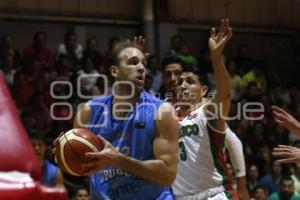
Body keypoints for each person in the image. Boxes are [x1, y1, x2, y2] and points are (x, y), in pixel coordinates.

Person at [54, 38, 179, 199]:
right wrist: (65, 156)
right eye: (133, 62)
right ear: (115, 71)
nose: (141, 67)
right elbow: (81, 171)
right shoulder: (89, 112)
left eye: (143, 63)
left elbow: (168, 175)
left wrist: (118, 160)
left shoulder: (162, 111)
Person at [161, 20, 249, 200]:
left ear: (203, 91)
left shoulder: (206, 111)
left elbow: (224, 95)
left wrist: (216, 57)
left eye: (190, 82)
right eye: (181, 82)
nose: (182, 85)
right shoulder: (164, 115)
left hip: (212, 194)